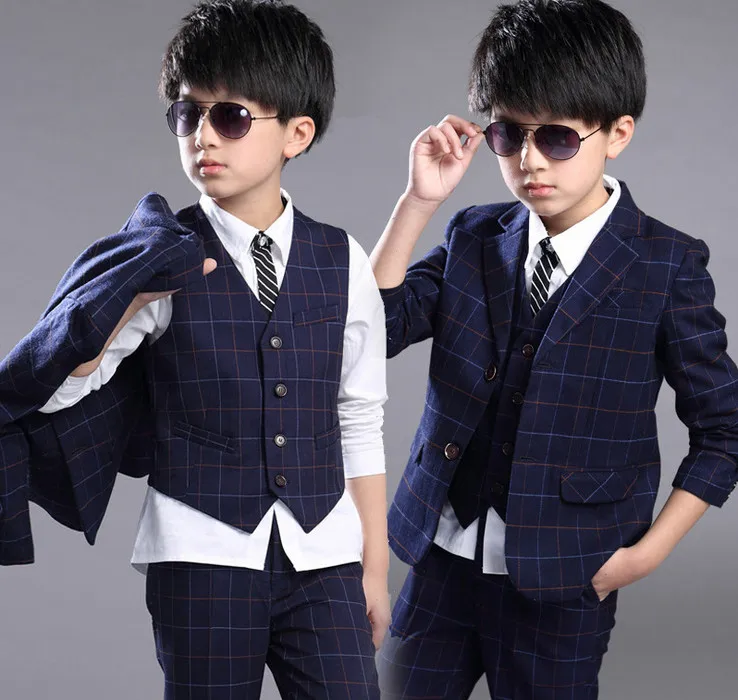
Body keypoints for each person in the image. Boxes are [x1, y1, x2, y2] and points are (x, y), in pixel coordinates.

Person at [3, 1, 390, 697]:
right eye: (188, 115)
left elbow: (358, 417)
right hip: (199, 551)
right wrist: (121, 303)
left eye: (231, 116)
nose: (204, 136)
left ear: (296, 133)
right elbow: (58, 389)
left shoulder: (343, 258)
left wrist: (376, 567)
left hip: (324, 550)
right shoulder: (161, 258)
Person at [370, 0, 738, 697]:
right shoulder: (474, 236)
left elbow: (725, 428)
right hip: (441, 555)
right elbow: (374, 330)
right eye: (509, 134)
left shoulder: (665, 265)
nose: (530, 160)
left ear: (617, 133)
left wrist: (646, 556)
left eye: (559, 137)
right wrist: (417, 202)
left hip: (568, 577)